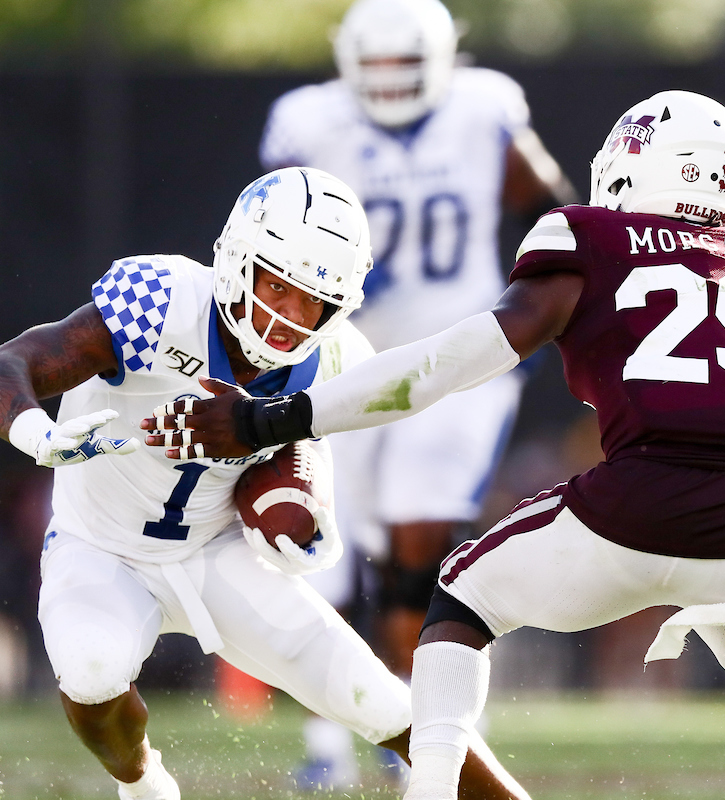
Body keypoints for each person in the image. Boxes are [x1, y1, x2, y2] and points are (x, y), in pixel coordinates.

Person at [140, 91, 725, 800]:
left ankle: (432, 789)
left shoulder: (589, 243)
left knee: (457, 606)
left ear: (631, 166)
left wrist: (270, 419)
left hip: (627, 507)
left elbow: (444, 366)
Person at [0, 166, 529, 800]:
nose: (290, 315)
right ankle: (145, 783)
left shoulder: (338, 357)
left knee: (373, 696)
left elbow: (318, 456)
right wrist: (34, 432)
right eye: (276, 285)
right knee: (92, 673)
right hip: (100, 545)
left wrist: (303, 514)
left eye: (313, 300)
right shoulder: (161, 301)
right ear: (236, 260)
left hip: (218, 548)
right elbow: (2, 368)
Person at [259, 0, 577, 680]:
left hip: (461, 350)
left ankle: (416, 721)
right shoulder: (308, 121)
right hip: (343, 356)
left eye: (404, 60)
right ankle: (331, 740)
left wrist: (540, 312)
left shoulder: (483, 109)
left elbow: (554, 215)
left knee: (418, 537)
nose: (390, 76)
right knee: (326, 545)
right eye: (376, 62)